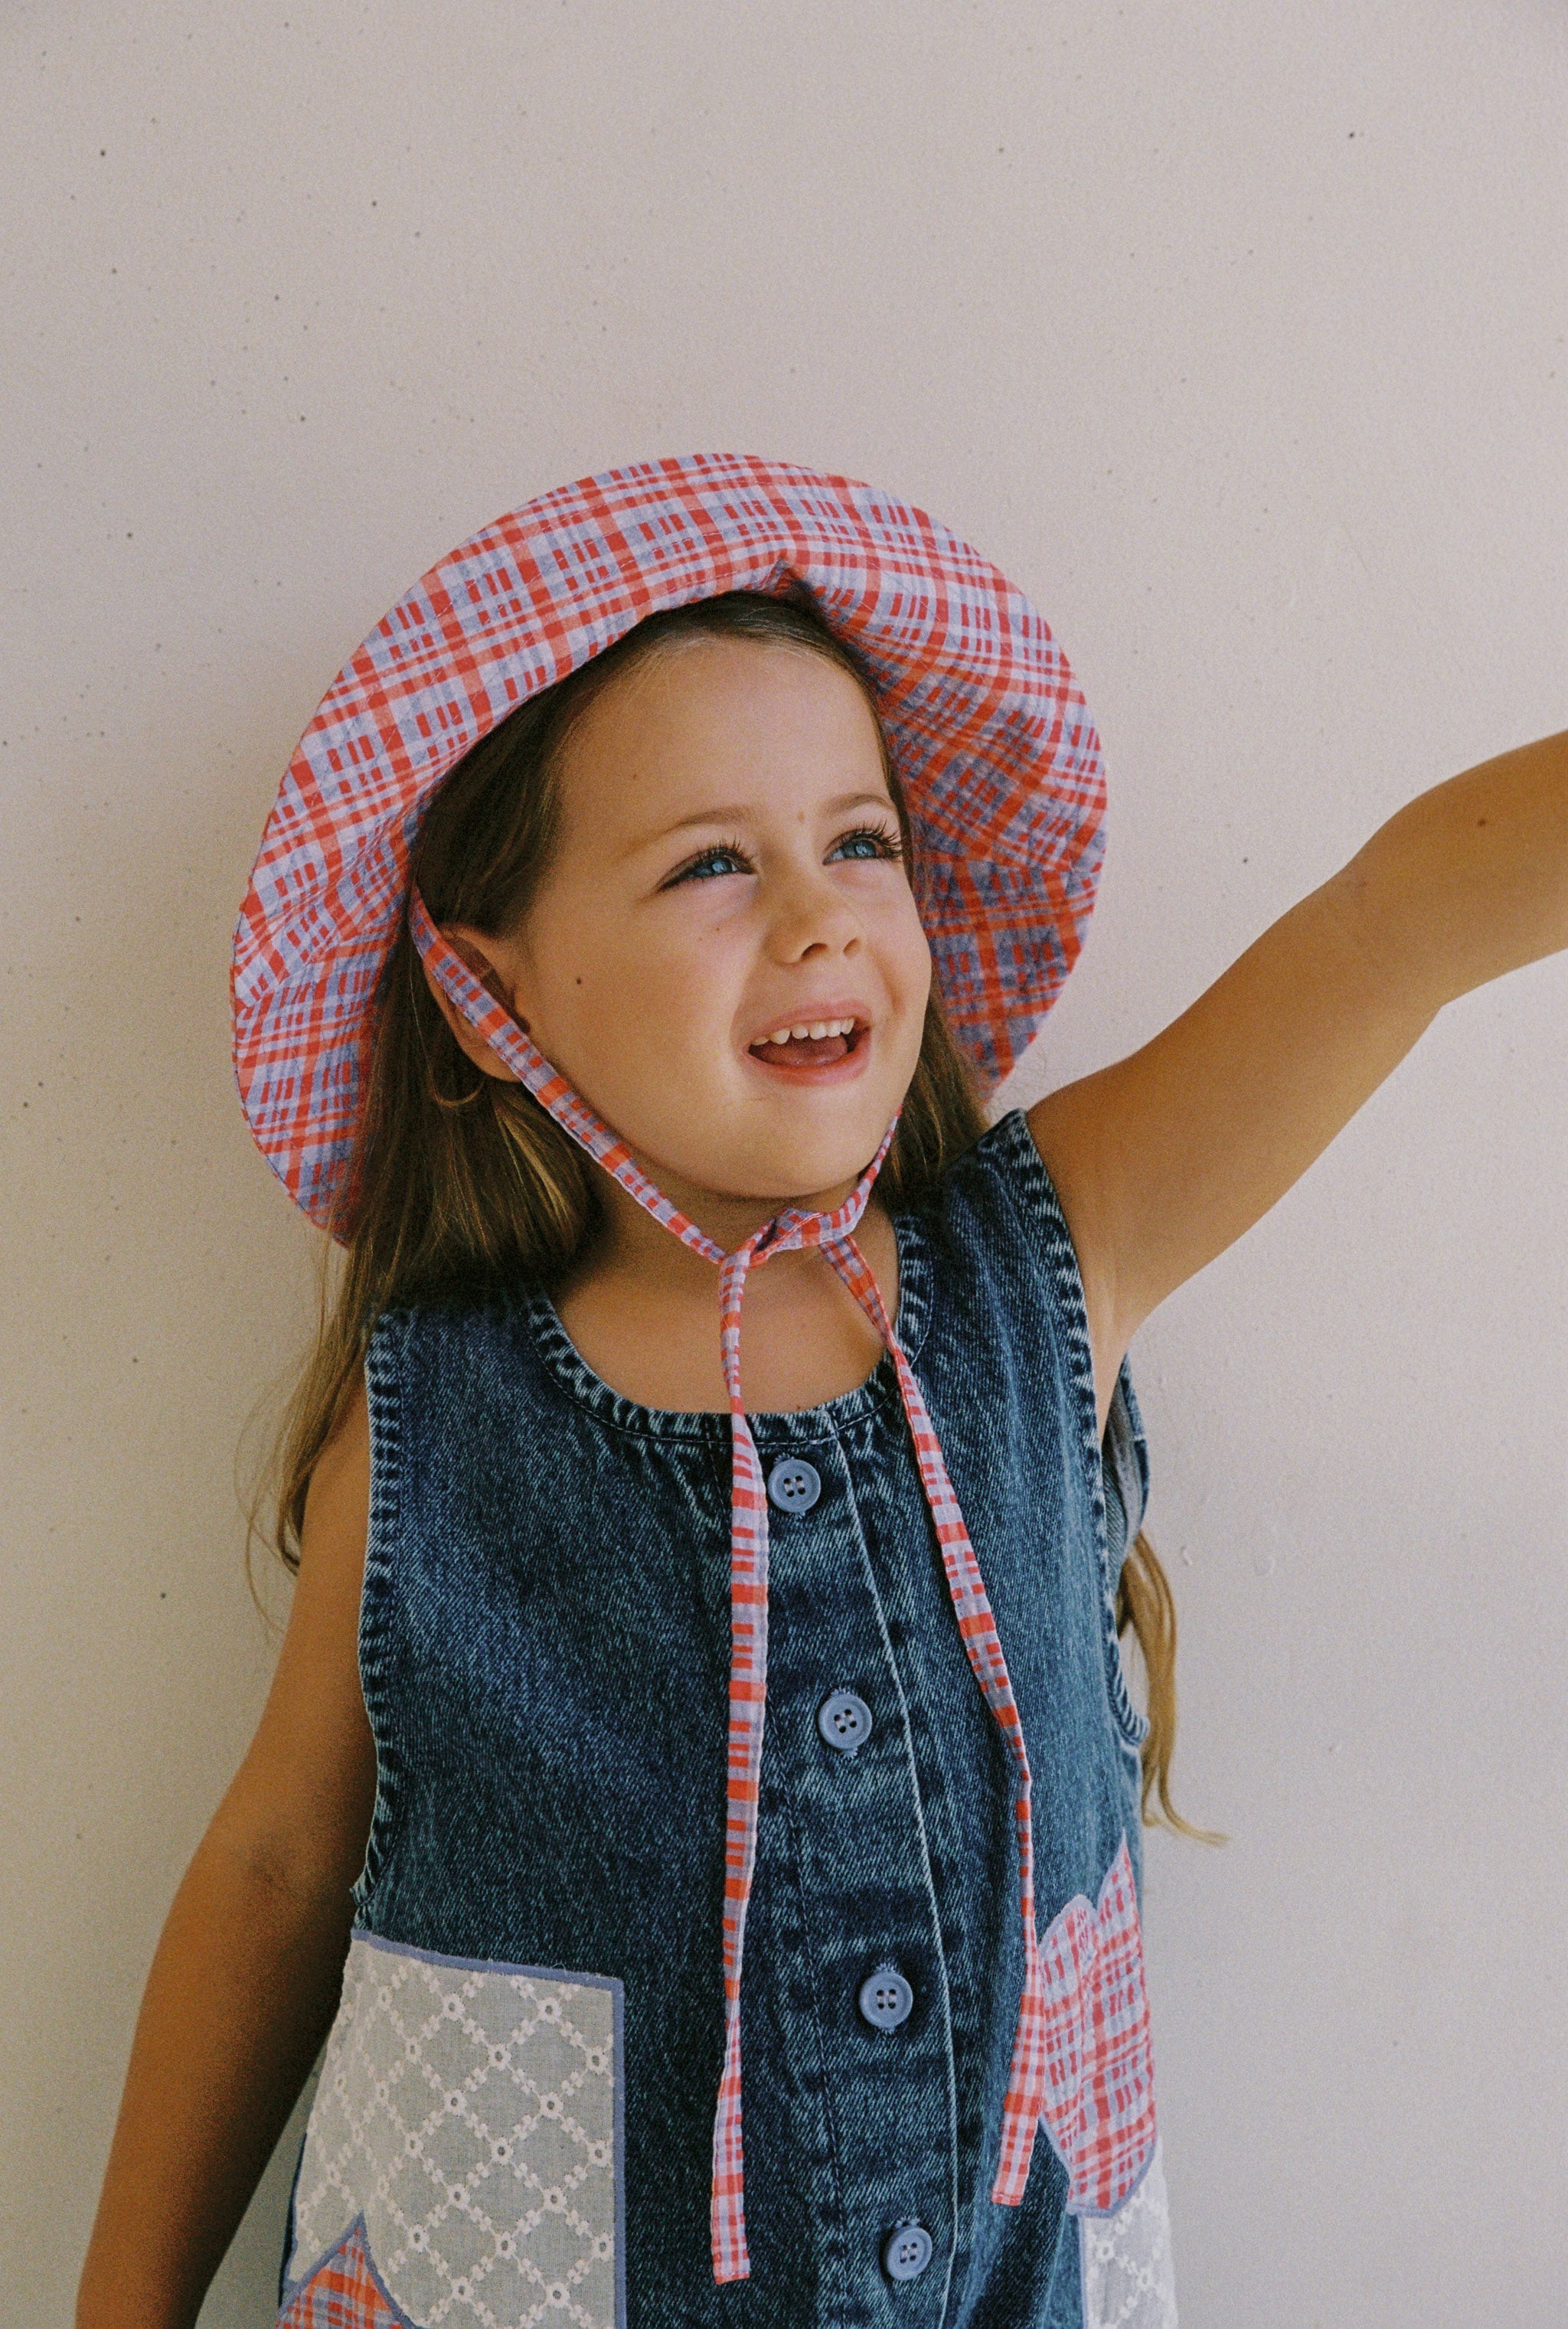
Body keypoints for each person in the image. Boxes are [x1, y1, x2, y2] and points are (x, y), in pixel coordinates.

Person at [76, 455, 1566, 2329]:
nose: (818, 913)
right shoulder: (440, 1414)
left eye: (862, 841)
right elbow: (283, 1865)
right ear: (487, 993)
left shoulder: (1051, 1262)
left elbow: (1394, 923)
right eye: (711, 860)